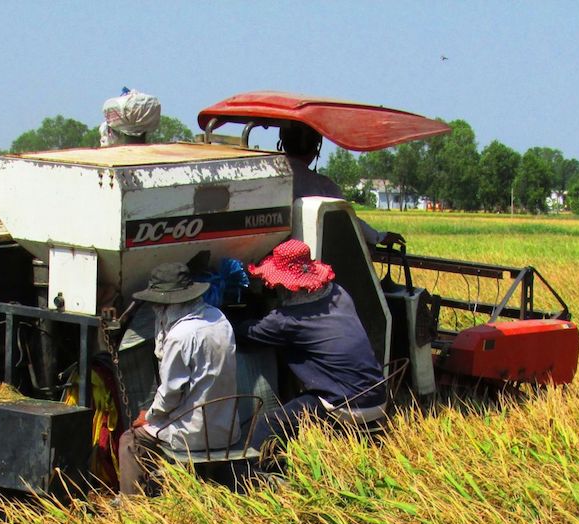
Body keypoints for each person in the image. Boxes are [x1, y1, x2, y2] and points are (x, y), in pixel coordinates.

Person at [236, 239, 387, 445]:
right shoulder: (338, 293)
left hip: (346, 404)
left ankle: (255, 472)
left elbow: (243, 333)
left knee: (269, 423)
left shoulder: (286, 321)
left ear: (286, 286)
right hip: (377, 395)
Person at [118, 263, 238, 496]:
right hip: (227, 426)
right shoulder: (219, 318)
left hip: (193, 433)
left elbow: (170, 394)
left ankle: (132, 510)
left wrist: (149, 415)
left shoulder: (180, 336)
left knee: (131, 441)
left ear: (166, 304)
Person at [278, 123, 405, 247]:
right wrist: (378, 237)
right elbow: (348, 220)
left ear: (283, 143)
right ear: (315, 147)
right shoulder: (324, 186)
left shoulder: (268, 181)